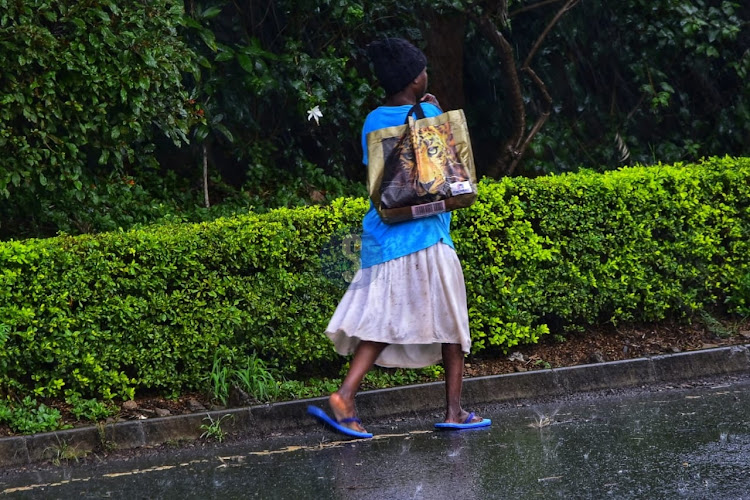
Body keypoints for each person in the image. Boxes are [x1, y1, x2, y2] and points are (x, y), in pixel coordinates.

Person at [314, 37, 489, 437]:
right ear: (415, 79)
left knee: (381, 321)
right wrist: (436, 114)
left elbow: (380, 175)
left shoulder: (373, 119)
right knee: (452, 322)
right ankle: (453, 410)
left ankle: (346, 396)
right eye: (424, 70)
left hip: (384, 234)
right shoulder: (428, 111)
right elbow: (450, 169)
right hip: (426, 237)